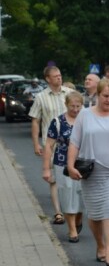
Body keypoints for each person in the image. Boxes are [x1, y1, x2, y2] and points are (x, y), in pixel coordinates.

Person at [67, 78, 109, 266]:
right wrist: (71, 166)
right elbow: (75, 143)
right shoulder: (85, 115)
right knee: (95, 214)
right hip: (91, 171)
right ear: (98, 95)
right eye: (106, 96)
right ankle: (101, 246)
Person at [29, 66, 72, 225]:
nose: (59, 78)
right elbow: (35, 120)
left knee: (70, 177)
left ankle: (71, 209)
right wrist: (36, 143)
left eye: (60, 75)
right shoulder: (40, 97)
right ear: (48, 78)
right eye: (55, 76)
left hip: (71, 143)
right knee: (53, 179)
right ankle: (58, 212)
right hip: (51, 144)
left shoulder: (69, 93)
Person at [42, 91, 85, 243]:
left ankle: (79, 218)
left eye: (78, 106)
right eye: (72, 106)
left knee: (82, 196)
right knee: (67, 195)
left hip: (83, 164)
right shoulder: (58, 121)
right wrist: (46, 168)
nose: (75, 109)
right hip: (62, 163)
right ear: (66, 105)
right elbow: (48, 145)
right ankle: (72, 229)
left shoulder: (87, 120)